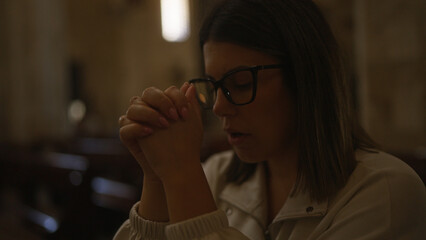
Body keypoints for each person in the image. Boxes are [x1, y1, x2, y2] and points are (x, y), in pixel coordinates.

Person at [114, 0, 426, 239]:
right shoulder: (215, 175)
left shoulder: (384, 191)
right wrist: (157, 177)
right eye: (215, 87)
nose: (220, 106)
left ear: (305, 78)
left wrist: (182, 175)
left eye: (241, 83)